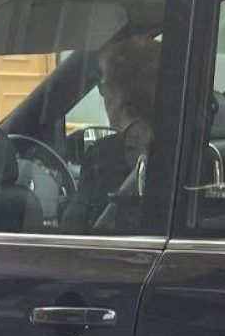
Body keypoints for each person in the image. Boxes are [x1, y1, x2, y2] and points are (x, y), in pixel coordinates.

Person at [63, 35, 159, 229]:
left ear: (120, 93)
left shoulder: (105, 156)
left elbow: (73, 227)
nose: (104, 96)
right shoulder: (192, 151)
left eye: (103, 87)